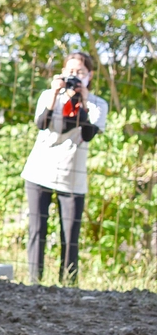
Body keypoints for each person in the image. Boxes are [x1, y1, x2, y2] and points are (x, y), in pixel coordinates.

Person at [20, 51, 108, 285]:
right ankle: (33, 282)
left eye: (80, 72)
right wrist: (56, 95)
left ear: (89, 75)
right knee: (37, 230)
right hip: (40, 171)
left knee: (70, 236)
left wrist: (85, 101)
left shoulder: (99, 104)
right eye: (70, 71)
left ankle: (68, 283)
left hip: (72, 177)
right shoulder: (48, 95)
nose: (75, 76)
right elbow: (41, 124)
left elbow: (88, 134)